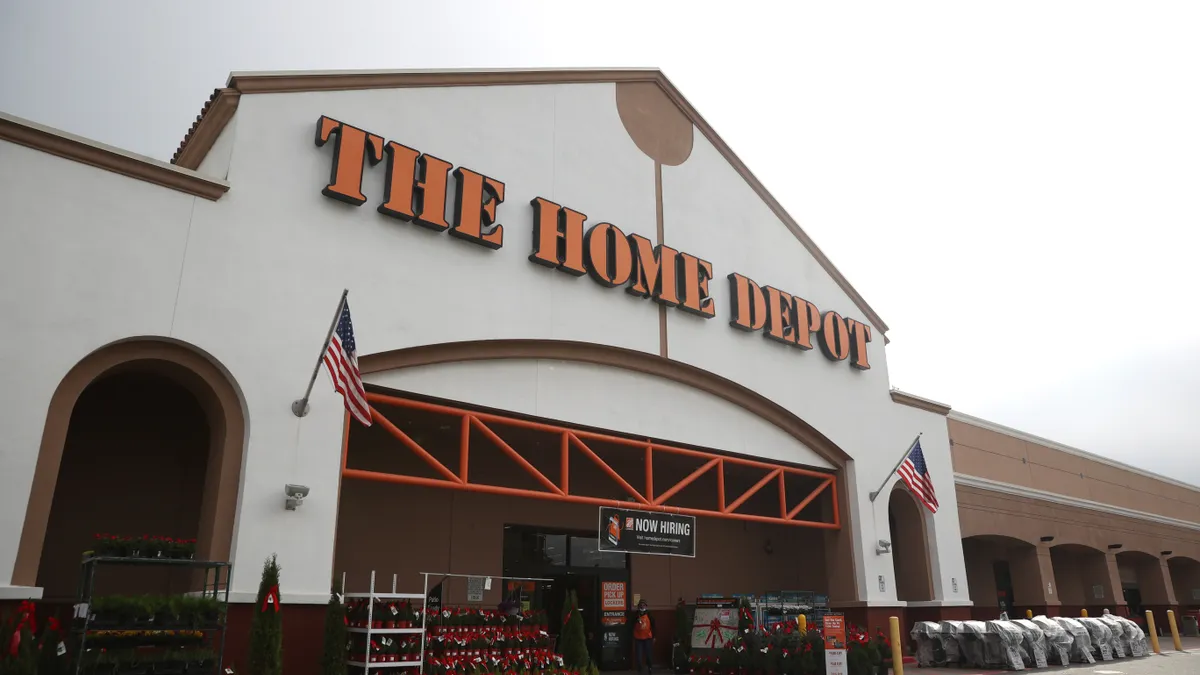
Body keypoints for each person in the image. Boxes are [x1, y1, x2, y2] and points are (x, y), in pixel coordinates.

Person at [632, 600, 655, 674]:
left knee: (648, 655)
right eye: (641, 605)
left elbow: (654, 626)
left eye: (643, 605)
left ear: (646, 606)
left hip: (648, 638)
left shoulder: (649, 614)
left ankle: (649, 668)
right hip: (638, 638)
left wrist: (654, 636)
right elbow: (631, 625)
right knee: (639, 656)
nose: (642, 606)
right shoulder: (635, 615)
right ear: (638, 606)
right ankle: (640, 670)